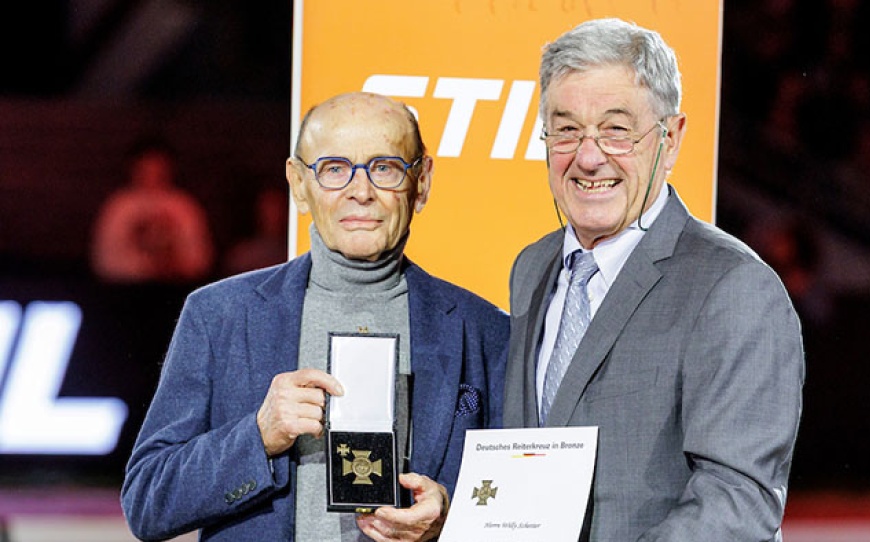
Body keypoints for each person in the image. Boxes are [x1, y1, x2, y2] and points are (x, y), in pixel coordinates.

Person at [121, 92, 509, 542]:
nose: (360, 192)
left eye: (384, 168)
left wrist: (452, 514)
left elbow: (525, 500)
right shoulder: (219, 315)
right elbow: (148, 502)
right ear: (298, 184)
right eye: (334, 169)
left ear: (420, 182)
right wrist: (258, 437)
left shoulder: (483, 330)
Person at [502, 18, 804, 541]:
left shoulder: (734, 288)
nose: (589, 156)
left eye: (617, 129)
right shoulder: (532, 268)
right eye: (566, 128)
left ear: (671, 138)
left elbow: (738, 502)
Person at [90, 137, 214, 283]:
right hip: (128, 292)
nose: (153, 172)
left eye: (158, 165)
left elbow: (200, 257)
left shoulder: (184, 206)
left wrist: (175, 266)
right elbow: (104, 260)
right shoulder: (119, 207)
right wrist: (145, 268)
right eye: (146, 166)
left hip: (176, 289)